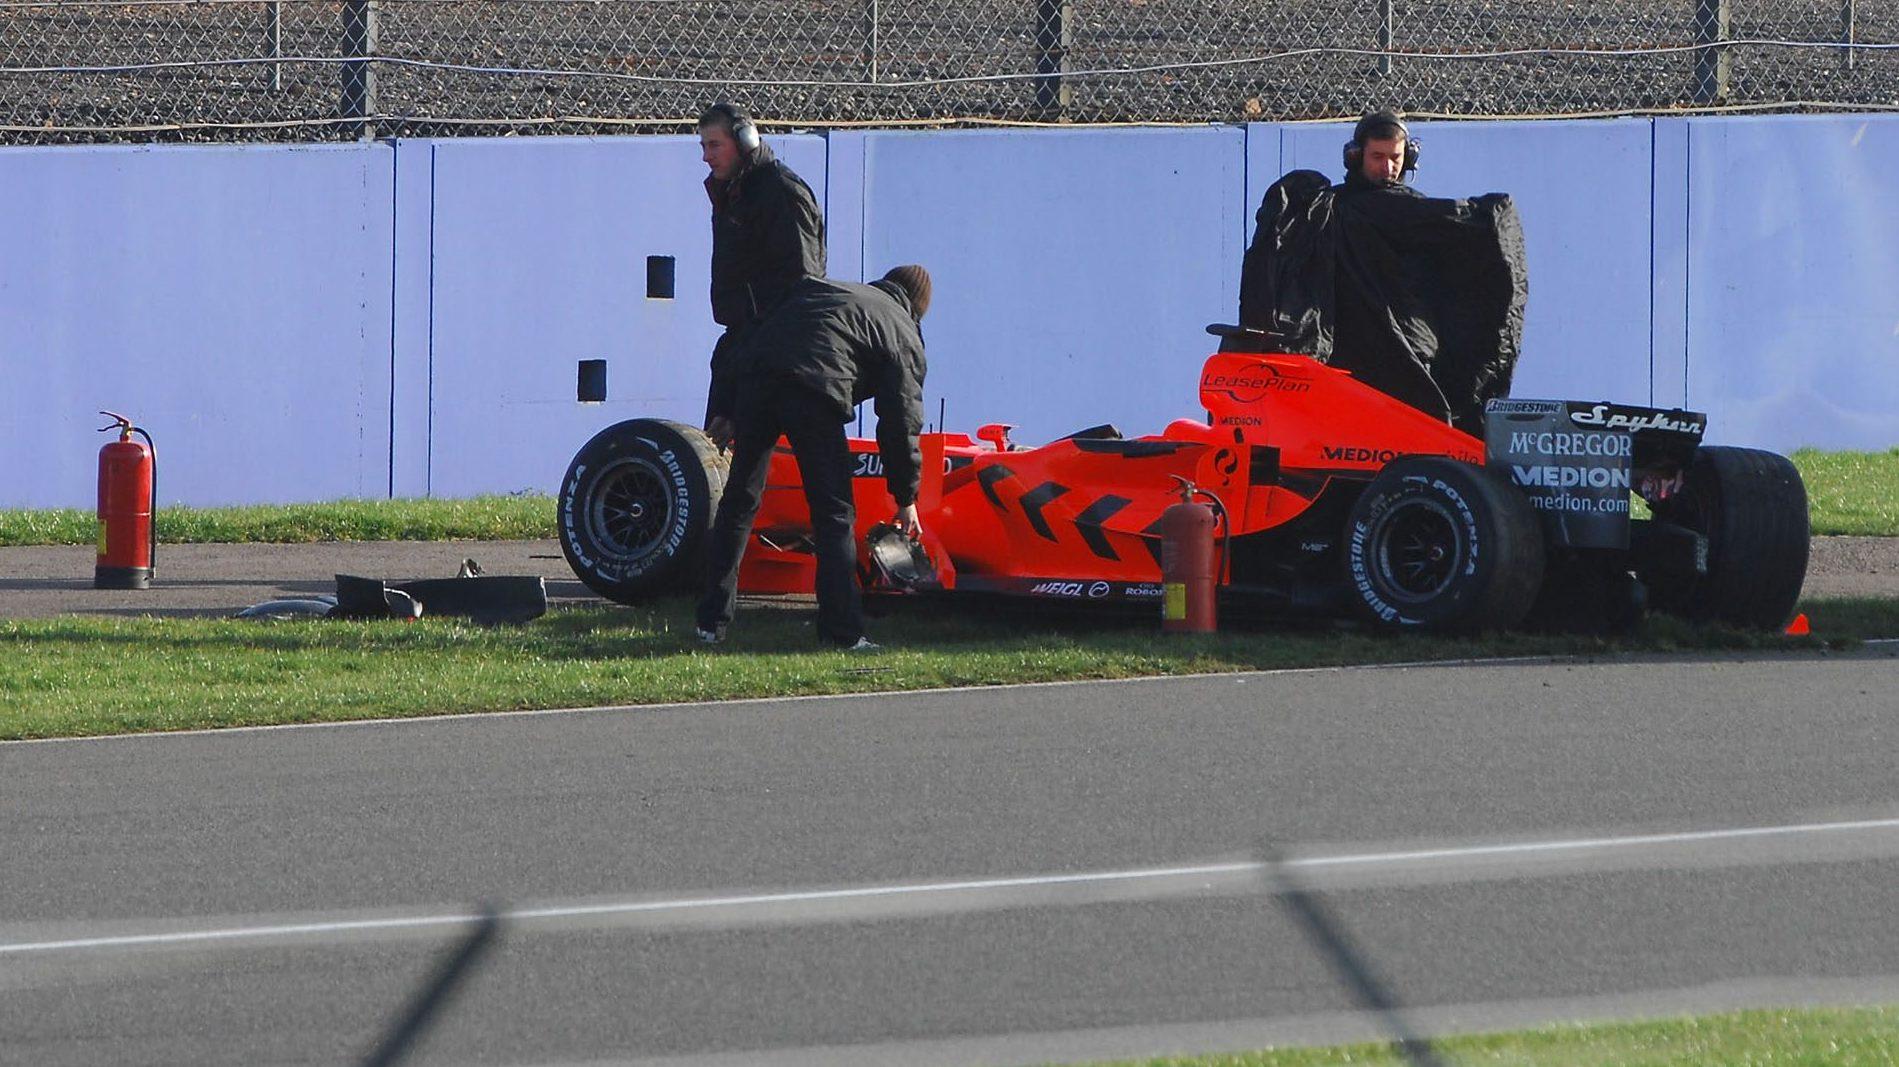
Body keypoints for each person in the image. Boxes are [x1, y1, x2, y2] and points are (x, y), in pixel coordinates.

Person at [695, 266, 932, 650]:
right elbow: (900, 420)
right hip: (813, 391)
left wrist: (725, 409)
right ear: (918, 308)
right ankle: (843, 634)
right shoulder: (900, 327)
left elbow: (742, 336)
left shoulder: (825, 291)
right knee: (834, 513)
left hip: (757, 381)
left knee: (739, 502)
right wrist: (906, 499)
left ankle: (709, 624)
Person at [697, 102, 827, 447]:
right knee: (716, 450)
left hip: (774, 344)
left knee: (751, 457)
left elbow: (804, 281)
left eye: (714, 145)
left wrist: (776, 348)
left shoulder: (780, 192)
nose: (706, 157)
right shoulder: (732, 193)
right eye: (703, 146)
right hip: (742, 340)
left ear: (744, 140)